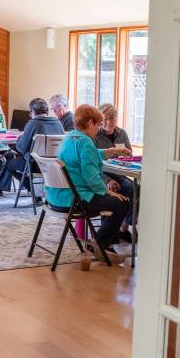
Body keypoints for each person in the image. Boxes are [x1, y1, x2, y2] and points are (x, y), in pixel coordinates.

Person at [45, 103, 129, 265]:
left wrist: (111, 151)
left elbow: (89, 155)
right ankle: (99, 244)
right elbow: (91, 177)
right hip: (75, 199)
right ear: (90, 123)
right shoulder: (86, 142)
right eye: (98, 125)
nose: (99, 129)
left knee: (119, 200)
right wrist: (108, 192)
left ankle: (99, 245)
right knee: (122, 202)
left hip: (56, 197)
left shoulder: (71, 136)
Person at [95, 103, 136, 242]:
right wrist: (107, 181)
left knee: (135, 188)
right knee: (113, 193)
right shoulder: (95, 136)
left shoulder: (122, 133)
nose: (108, 122)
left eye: (112, 118)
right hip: (102, 175)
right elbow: (94, 165)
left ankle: (124, 227)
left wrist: (125, 157)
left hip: (119, 174)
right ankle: (109, 232)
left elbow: (130, 155)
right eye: (105, 119)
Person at [9, 97, 64, 197]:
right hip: (54, 164)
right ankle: (37, 191)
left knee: (9, 165)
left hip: (34, 165)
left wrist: (19, 139)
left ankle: (33, 189)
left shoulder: (32, 123)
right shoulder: (58, 123)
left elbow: (21, 148)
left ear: (32, 111)